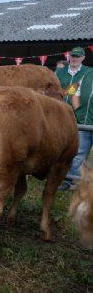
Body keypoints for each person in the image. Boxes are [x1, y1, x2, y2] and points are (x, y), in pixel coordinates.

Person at [58, 51, 92, 191]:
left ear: (83, 58)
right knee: (79, 153)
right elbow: (74, 92)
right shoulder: (88, 75)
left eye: (78, 56)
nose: (74, 58)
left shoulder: (86, 71)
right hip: (83, 122)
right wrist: (77, 111)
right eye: (73, 56)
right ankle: (72, 181)